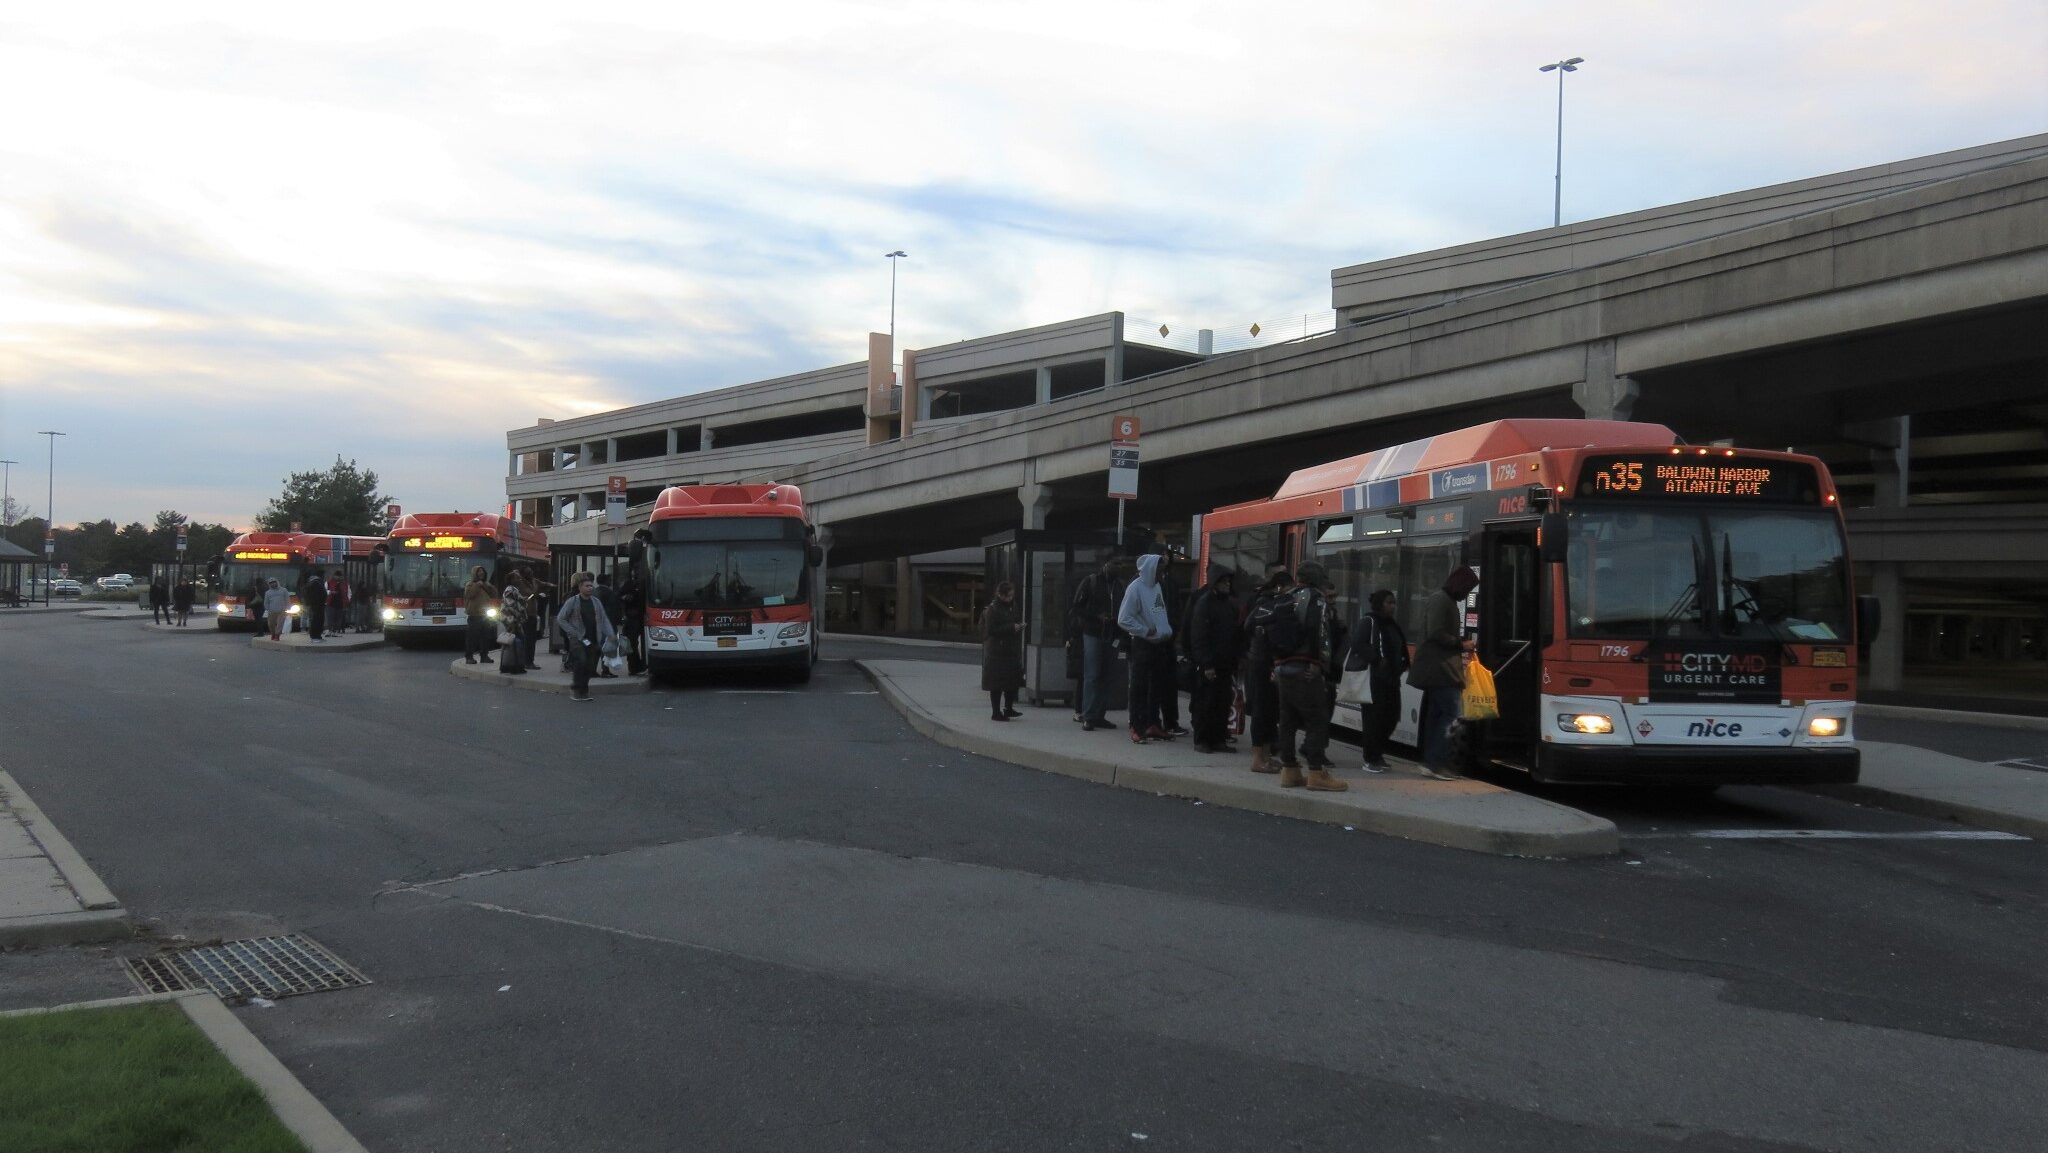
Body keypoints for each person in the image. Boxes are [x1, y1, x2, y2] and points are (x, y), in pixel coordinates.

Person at [1271, 562, 1347, 791]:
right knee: (1317, 719)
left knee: (1287, 720)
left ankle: (1289, 771)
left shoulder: (1286, 596)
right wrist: (1319, 663)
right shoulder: (1316, 599)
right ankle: (1316, 773)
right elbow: (1321, 633)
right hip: (1305, 667)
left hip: (1282, 667)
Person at [1408, 566, 1479, 780]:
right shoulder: (1442, 601)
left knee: (1437, 716)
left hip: (1437, 669)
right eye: (1467, 589)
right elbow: (1436, 632)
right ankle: (1436, 762)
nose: (1467, 594)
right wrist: (1461, 644)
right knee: (1451, 715)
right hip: (1441, 670)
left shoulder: (1442, 599)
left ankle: (1431, 761)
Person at [1349, 588, 1411, 773]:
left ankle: (1378, 753)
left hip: (1391, 679)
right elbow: (1358, 643)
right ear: (1379, 604)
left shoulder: (1391, 624)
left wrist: (1403, 663)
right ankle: (1371, 758)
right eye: (1388, 602)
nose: (1392, 606)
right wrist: (1377, 659)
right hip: (1375, 679)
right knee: (1373, 719)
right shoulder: (1369, 621)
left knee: (1391, 717)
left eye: (1393, 603)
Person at [1116, 553, 1174, 744]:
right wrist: (1144, 630)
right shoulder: (1136, 588)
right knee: (1139, 687)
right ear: (1152, 569)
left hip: (1159, 643)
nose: (1162, 574)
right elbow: (1123, 619)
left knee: (1156, 686)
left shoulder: (1157, 586)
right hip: (1143, 644)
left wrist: (1165, 630)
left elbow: (1159, 611)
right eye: (1160, 570)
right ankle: (1137, 726)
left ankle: (1152, 723)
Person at [1241, 565, 1292, 774]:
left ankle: (1266, 756)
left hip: (1262, 661)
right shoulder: (1268, 604)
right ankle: (1258, 758)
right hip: (1263, 663)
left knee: (1269, 711)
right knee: (1263, 711)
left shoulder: (1270, 602)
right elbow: (1251, 627)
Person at [1185, 566, 1240, 753]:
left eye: (1228, 581)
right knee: (1205, 703)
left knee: (1222, 703)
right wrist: (1206, 663)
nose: (1228, 584)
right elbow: (1199, 636)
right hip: (1210, 664)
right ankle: (1201, 740)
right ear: (1215, 583)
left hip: (1225, 664)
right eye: (1224, 581)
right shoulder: (1204, 604)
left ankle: (1218, 739)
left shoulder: (1228, 604)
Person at [1067, 558, 1124, 732]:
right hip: (1093, 633)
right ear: (1105, 565)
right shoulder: (1091, 581)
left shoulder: (1118, 585)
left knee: (1106, 675)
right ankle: (1089, 716)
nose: (1116, 569)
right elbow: (1076, 607)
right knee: (1092, 675)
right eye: (1115, 565)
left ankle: (1099, 714)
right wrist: (1097, 616)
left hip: (1111, 633)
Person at [555, 572, 616, 702]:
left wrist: (610, 634)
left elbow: (603, 619)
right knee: (581, 661)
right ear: (580, 587)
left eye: (591, 586)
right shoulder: (573, 601)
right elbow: (561, 618)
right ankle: (576, 689)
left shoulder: (596, 602)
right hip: (578, 638)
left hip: (592, 638)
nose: (590, 588)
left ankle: (584, 690)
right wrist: (572, 631)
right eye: (587, 586)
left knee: (589, 665)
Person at [980, 580, 1025, 721]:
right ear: (1000, 595)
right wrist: (1012, 628)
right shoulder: (993, 609)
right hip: (997, 652)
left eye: (1012, 595)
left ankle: (1008, 708)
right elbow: (991, 630)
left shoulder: (1012, 607)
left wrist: (1018, 626)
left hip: (1010, 650)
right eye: (1008, 596)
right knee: (997, 683)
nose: (1011, 598)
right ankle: (996, 712)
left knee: (1011, 681)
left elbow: (1014, 621)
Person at [593, 574, 625, 678]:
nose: (610, 581)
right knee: (606, 648)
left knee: (598, 648)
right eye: (609, 579)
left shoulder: (595, 591)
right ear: (606, 581)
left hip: (597, 624)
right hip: (607, 624)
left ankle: (592, 669)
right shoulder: (608, 593)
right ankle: (605, 670)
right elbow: (613, 610)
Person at [462, 565, 495, 665]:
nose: (481, 573)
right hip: (474, 615)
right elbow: (469, 595)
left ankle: (484, 656)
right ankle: (469, 657)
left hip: (485, 615)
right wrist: (478, 585)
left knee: (485, 637)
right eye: (479, 571)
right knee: (472, 638)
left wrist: (488, 586)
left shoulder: (486, 584)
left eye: (482, 571)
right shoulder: (470, 584)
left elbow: (494, 594)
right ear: (475, 574)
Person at [617, 570, 646, 676]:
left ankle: (637, 665)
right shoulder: (631, 584)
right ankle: (634, 667)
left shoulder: (640, 583)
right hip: (633, 618)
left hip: (637, 617)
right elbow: (620, 596)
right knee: (632, 643)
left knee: (634, 643)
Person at [497, 578, 528, 675]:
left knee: (510, 644)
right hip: (513, 621)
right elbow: (511, 605)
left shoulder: (512, 589)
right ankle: (515, 667)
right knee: (515, 644)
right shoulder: (510, 590)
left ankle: (507, 666)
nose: (520, 579)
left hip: (512, 620)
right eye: (517, 577)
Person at [301, 570, 327, 641]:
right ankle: (315, 636)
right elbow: (318, 595)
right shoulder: (316, 583)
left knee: (315, 620)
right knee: (317, 620)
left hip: (315, 605)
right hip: (317, 605)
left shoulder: (311, 583)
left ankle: (316, 636)